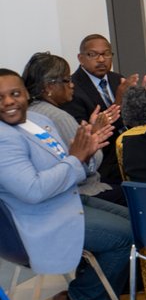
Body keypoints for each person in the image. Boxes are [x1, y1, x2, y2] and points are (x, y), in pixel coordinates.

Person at [0, 69, 131, 300]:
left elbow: (77, 167)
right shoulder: (3, 138)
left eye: (15, 94)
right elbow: (34, 190)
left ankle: (78, 295)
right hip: (38, 220)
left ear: (26, 93)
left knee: (136, 220)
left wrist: (90, 143)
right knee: (126, 235)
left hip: (66, 200)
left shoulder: (36, 119)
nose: (8, 102)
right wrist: (76, 158)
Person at [22, 52, 122, 204]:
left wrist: (89, 130)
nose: (72, 85)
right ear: (49, 87)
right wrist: (93, 136)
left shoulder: (29, 112)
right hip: (81, 193)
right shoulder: (59, 117)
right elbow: (86, 167)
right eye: (67, 80)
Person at [62, 34, 136, 184]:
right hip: (103, 161)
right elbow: (83, 136)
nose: (101, 60)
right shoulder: (71, 88)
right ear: (80, 58)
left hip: (130, 150)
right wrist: (118, 102)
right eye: (93, 55)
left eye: (106, 54)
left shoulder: (117, 79)